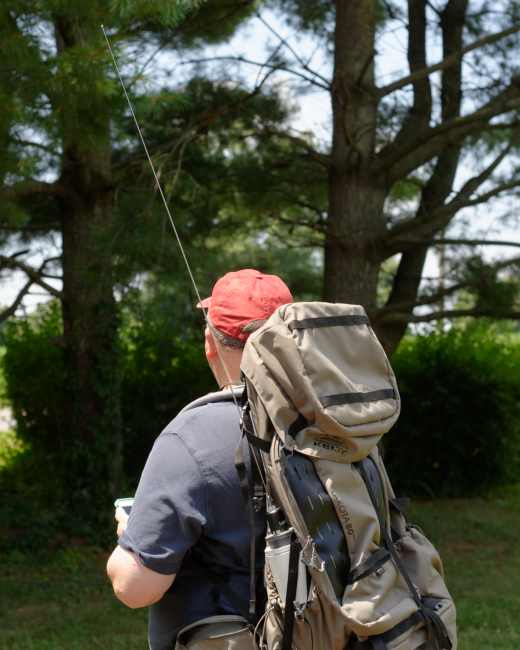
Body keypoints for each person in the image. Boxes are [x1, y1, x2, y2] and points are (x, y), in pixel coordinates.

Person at [106, 268, 293, 650]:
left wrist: (132, 534)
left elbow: (134, 588)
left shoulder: (189, 438)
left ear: (210, 343)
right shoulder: (336, 423)